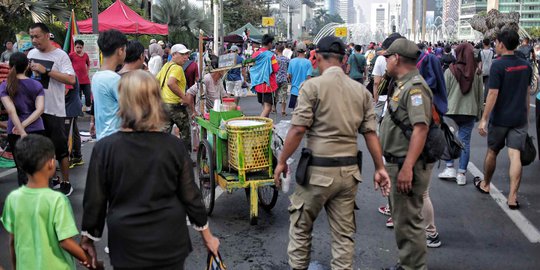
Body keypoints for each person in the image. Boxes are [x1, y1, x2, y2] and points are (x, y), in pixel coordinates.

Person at [80, 70, 220, 270]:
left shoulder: (105, 148)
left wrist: (88, 239)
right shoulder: (173, 146)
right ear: (156, 100)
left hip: (126, 242)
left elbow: (95, 199)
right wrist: (208, 238)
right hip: (169, 241)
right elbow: (191, 196)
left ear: (123, 101)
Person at [273, 36, 391, 270]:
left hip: (317, 172)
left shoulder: (312, 87)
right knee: (343, 236)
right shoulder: (361, 92)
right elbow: (370, 134)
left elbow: (297, 129)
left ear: (316, 57)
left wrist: (282, 161)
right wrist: (380, 168)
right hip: (349, 175)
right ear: (344, 60)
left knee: (301, 227)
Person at [379, 38, 435, 270]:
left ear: (397, 58)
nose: (386, 62)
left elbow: (420, 128)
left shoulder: (414, 88)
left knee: (409, 223)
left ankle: (413, 267)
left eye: (387, 57)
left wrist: (407, 168)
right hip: (398, 162)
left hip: (406, 164)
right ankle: (406, 263)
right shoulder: (403, 84)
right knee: (403, 222)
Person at [1, 135, 91, 270]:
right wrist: (89, 260)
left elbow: (13, 241)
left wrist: (15, 266)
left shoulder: (13, 198)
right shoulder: (58, 200)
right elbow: (65, 242)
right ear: (51, 163)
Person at [475, 30, 532, 210]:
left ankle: (485, 184)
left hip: (500, 119)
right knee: (515, 155)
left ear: (501, 44)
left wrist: (484, 119)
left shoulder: (498, 66)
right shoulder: (526, 66)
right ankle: (512, 197)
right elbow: (526, 93)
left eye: (497, 42)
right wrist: (525, 116)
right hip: (519, 118)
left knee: (492, 152)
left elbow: (492, 93)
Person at [28, 23, 76, 196]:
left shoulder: (60, 55)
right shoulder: (31, 54)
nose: (34, 40)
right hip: (36, 111)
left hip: (55, 110)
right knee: (42, 149)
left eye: (37, 36)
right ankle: (53, 178)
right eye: (32, 36)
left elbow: (71, 79)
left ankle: (66, 181)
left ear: (47, 35)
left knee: (60, 149)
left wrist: (46, 71)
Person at [438, 42, 484, 185]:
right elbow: (480, 95)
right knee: (465, 143)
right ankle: (461, 174)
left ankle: (450, 167)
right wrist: (480, 114)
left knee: (447, 139)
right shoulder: (476, 72)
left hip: (450, 112)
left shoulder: (450, 71)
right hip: (469, 112)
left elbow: (443, 93)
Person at [0, 52, 45, 186]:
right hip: (37, 129)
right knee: (37, 168)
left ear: (9, 66)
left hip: (14, 132)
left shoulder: (5, 85)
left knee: (22, 169)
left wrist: (21, 130)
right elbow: (40, 110)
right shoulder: (37, 85)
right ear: (27, 67)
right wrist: (24, 126)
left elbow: (11, 111)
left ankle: (25, 203)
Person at [91, 29, 127, 140]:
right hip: (115, 138)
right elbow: (129, 110)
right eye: (125, 49)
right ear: (120, 50)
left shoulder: (97, 76)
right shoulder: (114, 79)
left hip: (102, 137)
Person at [156, 43, 192, 151]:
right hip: (176, 106)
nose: (186, 57)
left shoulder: (166, 66)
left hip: (164, 105)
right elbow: (171, 83)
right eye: (182, 54)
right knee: (185, 132)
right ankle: (185, 157)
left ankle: (161, 157)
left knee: (163, 134)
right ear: (174, 54)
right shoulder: (177, 68)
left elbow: (156, 82)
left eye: (187, 54)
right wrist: (184, 97)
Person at [250, 34, 279, 117]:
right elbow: (276, 69)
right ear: (269, 43)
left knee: (264, 107)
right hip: (268, 84)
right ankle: (259, 124)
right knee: (268, 108)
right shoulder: (271, 55)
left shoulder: (255, 54)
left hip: (258, 83)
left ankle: (266, 127)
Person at [287, 42, 312, 109]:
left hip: (294, 90)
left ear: (296, 50)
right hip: (304, 91)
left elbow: (289, 76)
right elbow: (309, 77)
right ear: (305, 50)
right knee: (304, 111)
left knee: (295, 111)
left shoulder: (292, 61)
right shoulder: (308, 62)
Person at [69, 40, 92, 112]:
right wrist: (72, 73)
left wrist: (87, 71)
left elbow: (88, 64)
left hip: (85, 79)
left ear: (83, 47)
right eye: (77, 47)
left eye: (80, 47)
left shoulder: (85, 55)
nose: (79, 49)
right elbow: (67, 65)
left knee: (88, 94)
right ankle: (79, 110)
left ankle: (88, 108)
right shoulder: (71, 55)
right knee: (77, 96)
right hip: (76, 79)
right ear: (75, 47)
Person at [275, 45, 290, 116]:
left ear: (277, 50)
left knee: (275, 94)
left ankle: (274, 108)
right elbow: (289, 68)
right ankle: (283, 110)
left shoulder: (274, 59)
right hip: (284, 79)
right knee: (284, 95)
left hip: (275, 79)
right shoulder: (286, 59)